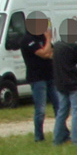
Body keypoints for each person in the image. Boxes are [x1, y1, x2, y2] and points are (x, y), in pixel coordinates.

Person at [51, 18, 77, 146]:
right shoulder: (74, 47)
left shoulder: (57, 46)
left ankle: (57, 139)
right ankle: (76, 139)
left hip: (60, 83)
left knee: (62, 112)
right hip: (75, 83)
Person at [21, 11, 55, 141]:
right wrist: (48, 39)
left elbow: (51, 52)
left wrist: (47, 49)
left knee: (59, 106)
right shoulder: (27, 39)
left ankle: (62, 133)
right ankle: (39, 136)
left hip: (50, 75)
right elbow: (43, 53)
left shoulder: (41, 37)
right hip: (37, 78)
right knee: (40, 109)